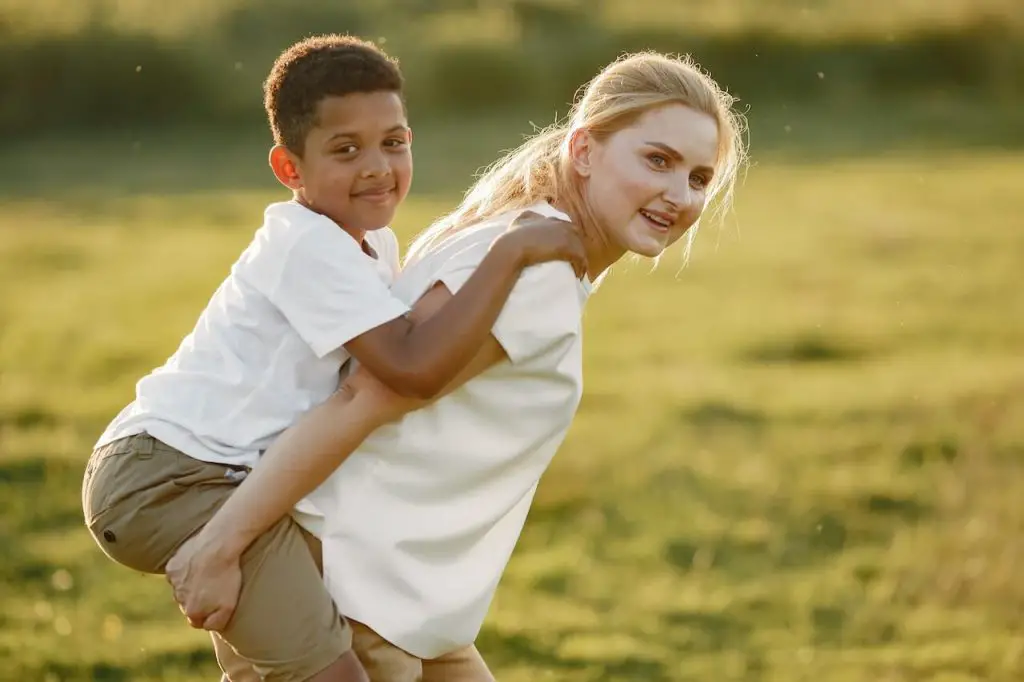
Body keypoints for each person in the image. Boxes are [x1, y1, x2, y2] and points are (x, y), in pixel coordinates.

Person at [169, 49, 748, 681]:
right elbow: (364, 398)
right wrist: (222, 546)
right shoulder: (538, 270)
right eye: (656, 160)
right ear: (583, 151)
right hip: (358, 594)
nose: (677, 194)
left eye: (698, 177)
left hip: (412, 607)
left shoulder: (523, 241)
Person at [80, 34, 587, 682]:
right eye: (346, 150)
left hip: (227, 475)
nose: (377, 166)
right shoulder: (306, 245)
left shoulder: (372, 240)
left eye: (394, 142)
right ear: (289, 169)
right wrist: (511, 252)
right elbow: (411, 367)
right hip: (167, 474)